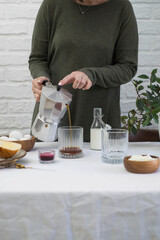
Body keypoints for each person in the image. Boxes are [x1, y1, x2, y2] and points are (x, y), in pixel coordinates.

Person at [29, 0, 138, 142]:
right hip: (50, 115)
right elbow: (37, 58)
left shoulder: (122, 7)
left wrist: (91, 75)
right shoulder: (52, 4)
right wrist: (41, 78)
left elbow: (128, 67)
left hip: (98, 117)